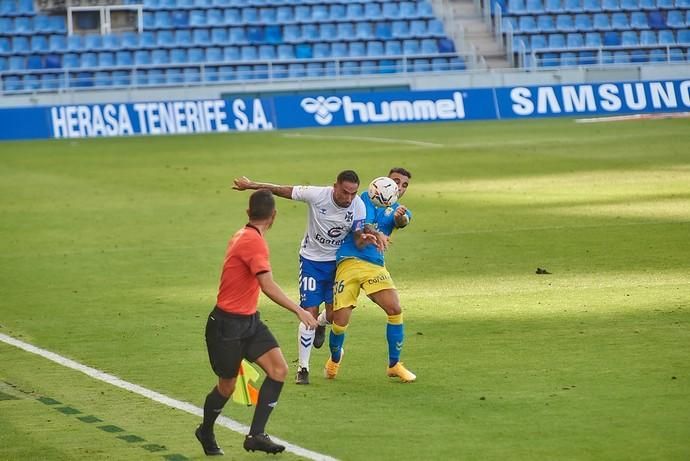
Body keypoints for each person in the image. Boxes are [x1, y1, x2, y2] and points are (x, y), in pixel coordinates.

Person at [195, 189, 318, 456]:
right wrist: (299, 310)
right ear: (274, 216)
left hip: (249, 322)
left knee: (279, 369)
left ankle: (256, 435)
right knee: (226, 386)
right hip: (226, 326)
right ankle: (205, 430)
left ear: (248, 213)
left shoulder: (244, 234)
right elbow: (267, 285)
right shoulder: (253, 242)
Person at [232, 171, 370, 385]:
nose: (349, 198)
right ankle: (303, 368)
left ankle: (321, 323)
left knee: (334, 316)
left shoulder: (358, 206)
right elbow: (282, 189)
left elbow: (358, 238)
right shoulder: (317, 195)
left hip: (338, 265)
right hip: (311, 262)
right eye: (345, 192)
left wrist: (365, 239)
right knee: (308, 313)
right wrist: (251, 185)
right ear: (335, 187)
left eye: (353, 193)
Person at [323, 167, 416, 383]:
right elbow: (361, 227)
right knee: (340, 322)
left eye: (404, 185)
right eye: (395, 181)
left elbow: (402, 223)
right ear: (382, 183)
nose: (398, 187)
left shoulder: (400, 210)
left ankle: (394, 364)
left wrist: (400, 217)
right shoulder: (363, 198)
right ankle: (335, 358)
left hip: (374, 265)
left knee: (395, 308)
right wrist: (376, 233)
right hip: (349, 261)